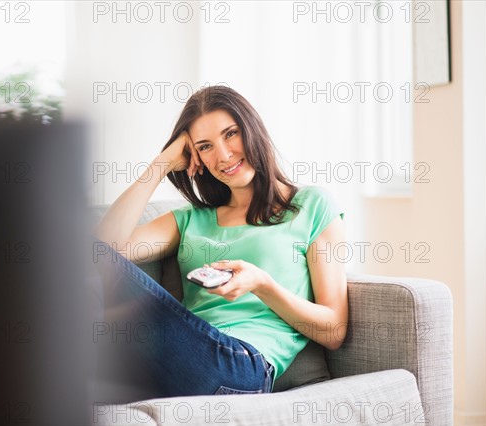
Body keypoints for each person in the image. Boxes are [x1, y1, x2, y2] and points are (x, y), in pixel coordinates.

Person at [93, 86, 347, 403]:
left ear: (253, 130)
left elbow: (334, 331)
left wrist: (261, 284)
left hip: (240, 366)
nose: (223, 155)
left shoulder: (311, 205)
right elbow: (101, 252)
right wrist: (161, 164)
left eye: (231, 134)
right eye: (205, 147)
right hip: (181, 364)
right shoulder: (191, 220)